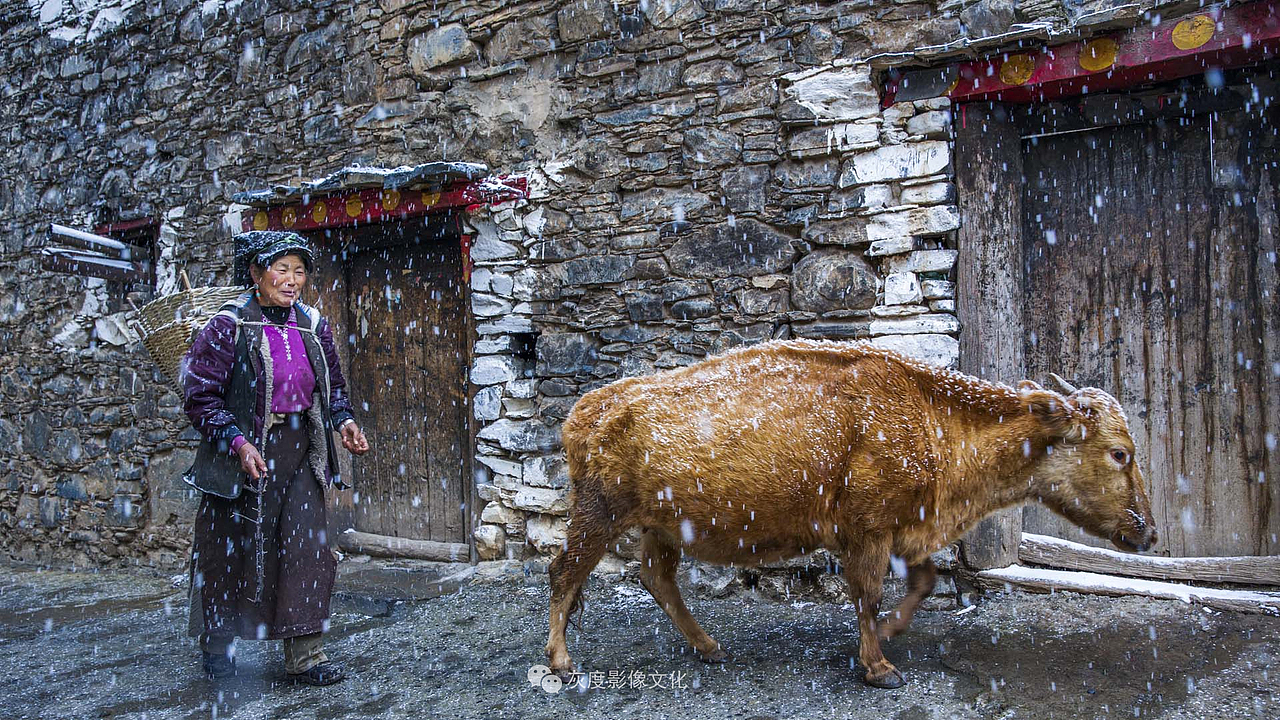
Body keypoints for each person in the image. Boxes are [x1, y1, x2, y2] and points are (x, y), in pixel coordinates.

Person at [181, 230, 370, 685]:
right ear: (255, 273)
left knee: (308, 548)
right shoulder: (228, 326)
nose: (292, 280)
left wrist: (343, 421)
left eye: (299, 271)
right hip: (238, 458)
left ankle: (306, 656)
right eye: (281, 270)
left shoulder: (311, 324)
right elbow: (199, 395)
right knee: (229, 552)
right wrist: (237, 441)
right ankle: (219, 648)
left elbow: (333, 389)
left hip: (298, 451)